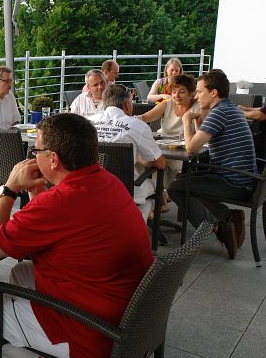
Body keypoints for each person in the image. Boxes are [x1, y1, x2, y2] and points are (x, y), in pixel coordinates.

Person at [0, 114, 153, 358]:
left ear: (53, 159)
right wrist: (36, 193)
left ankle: (29, 347)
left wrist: (9, 189)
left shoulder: (58, 203)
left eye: (36, 151)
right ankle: (27, 339)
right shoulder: (109, 181)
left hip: (95, 333)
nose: (34, 157)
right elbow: (57, 225)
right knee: (22, 272)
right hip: (131, 316)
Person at [168, 69, 256, 260]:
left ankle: (219, 228)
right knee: (183, 180)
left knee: (175, 187)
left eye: (200, 91)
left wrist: (186, 120)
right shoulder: (229, 109)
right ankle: (228, 216)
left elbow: (191, 147)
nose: (196, 96)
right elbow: (204, 142)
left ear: (213, 93)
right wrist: (198, 123)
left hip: (234, 182)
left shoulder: (219, 113)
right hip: (242, 178)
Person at [88, 84, 167, 221]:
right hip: (127, 187)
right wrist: (144, 161)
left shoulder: (88, 123)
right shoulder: (138, 126)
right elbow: (161, 163)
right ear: (127, 105)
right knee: (153, 193)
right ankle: (135, 225)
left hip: (93, 185)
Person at [139, 74, 202, 212]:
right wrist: (129, 121)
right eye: (173, 91)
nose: (176, 95)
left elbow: (200, 134)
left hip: (184, 151)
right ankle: (159, 196)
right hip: (163, 145)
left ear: (191, 93)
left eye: (182, 91)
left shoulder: (198, 107)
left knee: (159, 163)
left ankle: (158, 197)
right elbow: (144, 117)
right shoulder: (167, 104)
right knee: (149, 159)